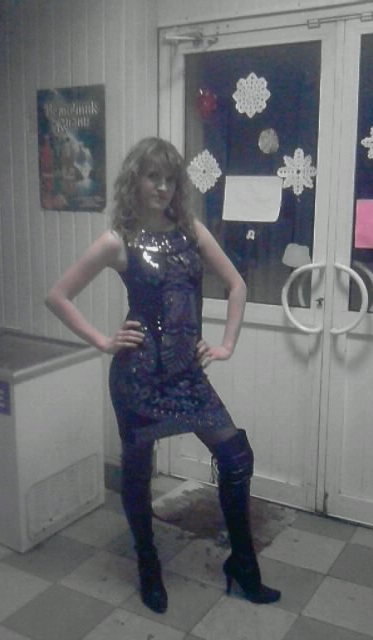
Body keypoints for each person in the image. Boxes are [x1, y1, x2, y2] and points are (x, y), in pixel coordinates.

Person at [45, 137, 281, 614]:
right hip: (138, 377)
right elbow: (58, 296)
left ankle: (242, 565)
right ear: (135, 180)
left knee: (236, 456)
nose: (162, 187)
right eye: (153, 176)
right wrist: (103, 341)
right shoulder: (118, 241)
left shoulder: (191, 232)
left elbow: (236, 285)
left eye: (170, 179)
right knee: (137, 472)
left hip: (187, 374)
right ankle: (148, 564)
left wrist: (226, 345)